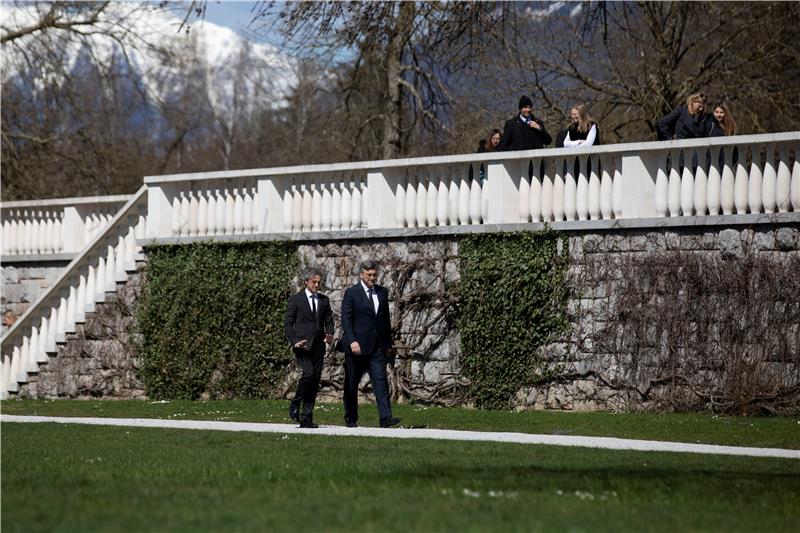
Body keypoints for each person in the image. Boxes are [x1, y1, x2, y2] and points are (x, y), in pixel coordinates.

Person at [340, 260, 400, 428]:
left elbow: (385, 320)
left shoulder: (382, 292)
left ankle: (385, 418)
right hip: (357, 348)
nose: (372, 278)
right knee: (351, 383)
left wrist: (387, 343)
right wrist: (352, 340)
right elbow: (346, 319)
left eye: (375, 275)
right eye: (369, 275)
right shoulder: (352, 293)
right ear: (361, 275)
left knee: (381, 381)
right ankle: (351, 418)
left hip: (377, 348)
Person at [284, 267, 334, 428]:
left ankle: (307, 418)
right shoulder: (296, 300)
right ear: (306, 282)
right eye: (314, 282)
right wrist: (294, 341)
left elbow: (329, 320)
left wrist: (330, 334)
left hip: (319, 346)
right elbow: (288, 323)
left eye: (319, 282)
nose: (317, 285)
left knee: (314, 381)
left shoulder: (324, 300)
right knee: (309, 373)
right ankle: (295, 403)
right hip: (302, 346)